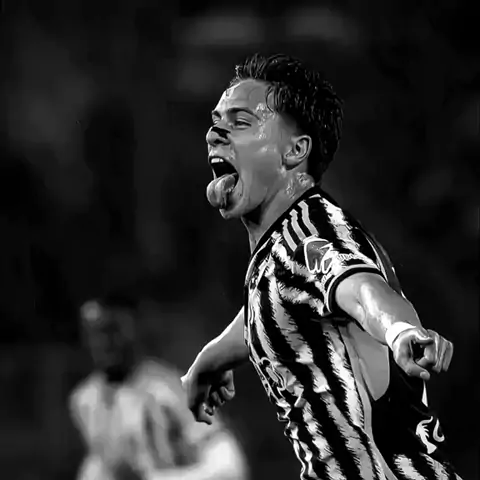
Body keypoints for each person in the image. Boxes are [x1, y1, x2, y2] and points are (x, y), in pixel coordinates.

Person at [181, 53, 461, 480]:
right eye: (216, 121)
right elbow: (274, 304)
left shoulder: (310, 235)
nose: (214, 133)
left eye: (240, 122)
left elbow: (362, 290)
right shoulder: (281, 251)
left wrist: (400, 330)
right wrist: (210, 360)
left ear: (295, 151)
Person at [69, 293, 248, 480]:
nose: (103, 342)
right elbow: (100, 462)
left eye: (112, 330)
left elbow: (231, 468)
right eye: (93, 333)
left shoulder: (167, 391)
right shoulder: (85, 400)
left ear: (133, 328)